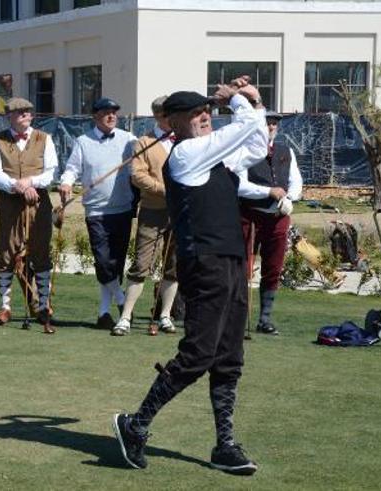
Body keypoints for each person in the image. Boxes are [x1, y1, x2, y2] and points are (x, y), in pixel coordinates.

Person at [112, 77, 268, 475]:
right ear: (174, 124)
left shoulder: (213, 156)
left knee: (230, 357)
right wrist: (236, 101)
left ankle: (225, 444)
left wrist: (251, 100)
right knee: (198, 354)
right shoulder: (185, 156)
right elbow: (246, 128)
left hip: (231, 261)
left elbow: (256, 143)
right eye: (196, 114)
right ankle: (136, 423)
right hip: (206, 263)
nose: (204, 118)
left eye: (207, 112)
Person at [59, 97, 137, 330]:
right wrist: (66, 182)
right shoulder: (83, 141)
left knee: (116, 262)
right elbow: (72, 169)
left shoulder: (129, 140)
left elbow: (139, 167)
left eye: (114, 112)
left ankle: (104, 313)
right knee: (103, 261)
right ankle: (123, 302)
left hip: (123, 209)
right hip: (96, 211)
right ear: (95, 116)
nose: (111, 116)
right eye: (106, 112)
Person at [0, 97, 57, 333]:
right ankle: (5, 307)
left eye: (28, 111)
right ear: (9, 116)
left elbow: (51, 171)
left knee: (40, 251)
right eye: (20, 112)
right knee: (6, 251)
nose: (26, 115)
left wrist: (31, 183)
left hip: (39, 201)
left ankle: (43, 305)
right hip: (9, 202)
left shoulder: (44, 139)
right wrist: (17, 186)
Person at [113, 95, 178, 336]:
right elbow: (137, 175)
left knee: (173, 267)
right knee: (141, 265)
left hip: (180, 213)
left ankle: (165, 315)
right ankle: (126, 316)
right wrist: (165, 190)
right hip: (153, 210)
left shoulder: (186, 141)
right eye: (166, 115)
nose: (171, 119)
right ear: (157, 116)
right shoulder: (144, 142)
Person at [237, 110, 302, 335]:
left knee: (273, 268)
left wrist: (289, 197)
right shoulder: (244, 150)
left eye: (274, 123)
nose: (271, 127)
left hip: (277, 217)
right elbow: (240, 185)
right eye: (267, 123)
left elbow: (295, 181)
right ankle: (238, 315)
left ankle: (265, 318)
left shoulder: (285, 151)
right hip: (250, 215)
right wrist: (268, 191)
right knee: (243, 267)